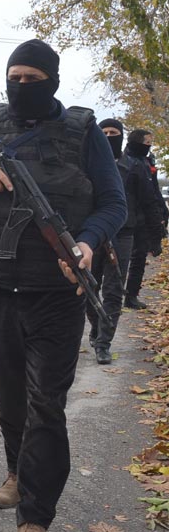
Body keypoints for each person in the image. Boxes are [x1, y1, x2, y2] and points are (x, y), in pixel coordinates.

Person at [0, 39, 126, 532]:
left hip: (58, 296)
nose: (21, 87)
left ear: (53, 81)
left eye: (32, 79)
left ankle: (35, 520)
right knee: (8, 400)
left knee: (48, 405)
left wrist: (85, 243)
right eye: (13, 77)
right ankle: (18, 470)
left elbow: (113, 203)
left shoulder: (85, 134)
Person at [87, 120, 163, 363]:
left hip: (123, 234)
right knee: (89, 287)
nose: (109, 136)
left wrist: (156, 235)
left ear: (122, 136)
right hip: (92, 235)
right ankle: (97, 325)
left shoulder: (134, 166)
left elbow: (148, 201)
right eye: (104, 132)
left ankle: (104, 342)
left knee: (113, 290)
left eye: (114, 133)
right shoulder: (87, 163)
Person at [124, 129, 166, 309]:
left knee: (139, 257)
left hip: (143, 217)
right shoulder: (123, 162)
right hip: (126, 217)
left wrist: (163, 213)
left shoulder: (147, 162)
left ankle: (131, 295)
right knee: (119, 259)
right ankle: (113, 297)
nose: (149, 146)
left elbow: (154, 191)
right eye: (147, 143)